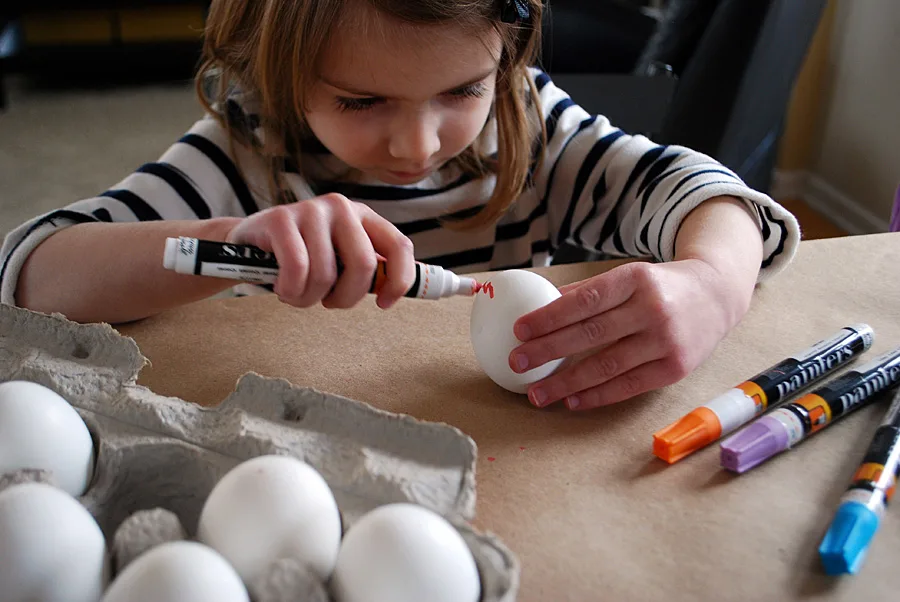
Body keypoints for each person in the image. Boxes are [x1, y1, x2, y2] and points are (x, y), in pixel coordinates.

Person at [0, 0, 801, 411]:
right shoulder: (247, 154)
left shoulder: (529, 132)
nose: (419, 145)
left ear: (508, 55)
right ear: (277, 71)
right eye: (361, 101)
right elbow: (31, 272)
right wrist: (227, 237)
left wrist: (715, 281)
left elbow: (695, 192)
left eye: (462, 89)